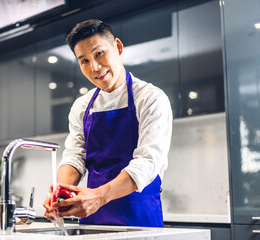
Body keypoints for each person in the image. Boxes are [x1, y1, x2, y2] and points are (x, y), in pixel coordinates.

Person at [43, 19, 173, 227]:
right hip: (93, 222)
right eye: (84, 61)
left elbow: (147, 162)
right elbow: (75, 156)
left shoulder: (150, 98)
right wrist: (60, 194)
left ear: (118, 47)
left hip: (139, 222)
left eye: (99, 54)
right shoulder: (82, 106)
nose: (94, 67)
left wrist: (99, 197)